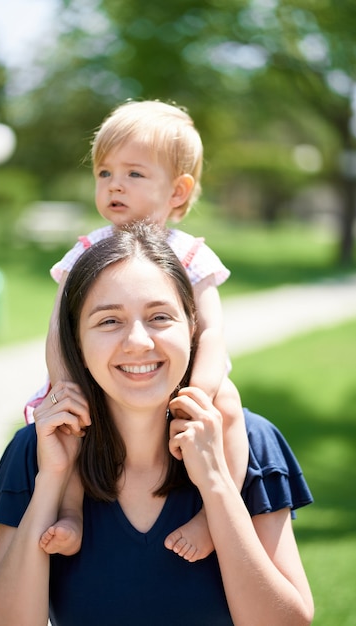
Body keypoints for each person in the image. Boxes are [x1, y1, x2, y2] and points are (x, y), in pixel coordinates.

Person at [0, 223, 314, 626]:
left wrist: (218, 484)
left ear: (192, 329)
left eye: (159, 317)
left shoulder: (251, 441)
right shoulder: (38, 449)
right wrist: (52, 480)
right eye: (109, 321)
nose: (138, 342)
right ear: (77, 343)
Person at [26, 99, 249, 561]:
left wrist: (202, 392)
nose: (114, 186)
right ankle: (72, 512)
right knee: (75, 419)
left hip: (180, 376)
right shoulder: (88, 251)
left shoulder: (190, 255)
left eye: (134, 174)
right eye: (104, 173)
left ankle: (214, 514)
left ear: (178, 191)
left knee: (228, 404)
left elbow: (210, 332)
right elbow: (58, 328)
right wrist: (66, 382)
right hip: (107, 374)